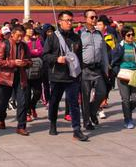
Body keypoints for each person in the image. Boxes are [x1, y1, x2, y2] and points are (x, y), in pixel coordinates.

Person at [42, 11, 88, 141]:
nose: (69, 23)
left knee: (74, 103)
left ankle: (76, 129)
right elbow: (45, 56)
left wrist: (80, 72)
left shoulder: (76, 37)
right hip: (57, 75)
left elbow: (79, 57)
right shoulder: (52, 37)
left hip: (72, 76)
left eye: (71, 20)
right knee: (54, 101)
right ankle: (53, 122)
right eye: (66, 20)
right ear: (60, 21)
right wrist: (57, 59)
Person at [0, 25, 32, 136]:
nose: (20, 38)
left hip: (20, 77)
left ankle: (21, 126)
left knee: (23, 102)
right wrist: (13, 62)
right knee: (3, 102)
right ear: (12, 34)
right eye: (18, 36)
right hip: (6, 77)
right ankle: (1, 118)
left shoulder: (24, 46)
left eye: (22, 36)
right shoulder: (4, 44)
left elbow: (30, 61)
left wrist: (25, 63)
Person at [111, 26, 136, 129]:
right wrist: (117, 72)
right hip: (123, 76)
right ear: (124, 36)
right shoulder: (119, 47)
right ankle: (128, 119)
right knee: (126, 99)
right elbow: (113, 62)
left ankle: (127, 112)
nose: (131, 37)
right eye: (128, 35)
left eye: (132, 34)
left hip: (135, 75)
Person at [80, 9, 109, 131]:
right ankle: (87, 121)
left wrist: (106, 67)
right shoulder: (80, 34)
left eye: (95, 17)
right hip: (85, 69)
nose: (94, 19)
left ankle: (93, 110)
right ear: (85, 19)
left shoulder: (99, 34)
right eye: (91, 17)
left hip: (97, 69)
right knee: (85, 96)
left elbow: (103, 52)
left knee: (102, 92)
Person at [24, 23, 43, 123]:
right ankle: (27, 113)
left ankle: (32, 106)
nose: (31, 31)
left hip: (36, 70)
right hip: (25, 71)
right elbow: (23, 54)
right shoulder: (21, 42)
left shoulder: (36, 41)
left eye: (32, 29)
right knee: (26, 94)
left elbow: (40, 51)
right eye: (29, 29)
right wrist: (33, 52)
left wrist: (30, 52)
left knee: (37, 92)